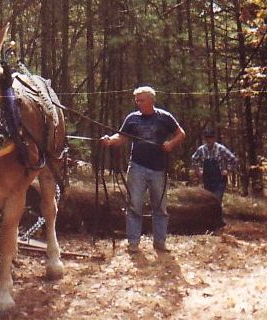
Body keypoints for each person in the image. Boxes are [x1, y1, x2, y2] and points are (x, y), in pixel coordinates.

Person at [100, 86, 186, 253]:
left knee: (160, 207)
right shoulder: (132, 118)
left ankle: (160, 243)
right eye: (136, 100)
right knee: (134, 205)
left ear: (151, 101)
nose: (138, 103)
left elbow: (181, 133)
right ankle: (133, 243)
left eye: (141, 100)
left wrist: (170, 144)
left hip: (158, 169)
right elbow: (121, 137)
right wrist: (109, 140)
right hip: (137, 167)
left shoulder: (164, 117)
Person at [191, 129, 237, 228]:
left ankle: (219, 221)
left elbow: (233, 159)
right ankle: (209, 222)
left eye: (211, 138)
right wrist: (198, 171)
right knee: (208, 200)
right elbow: (194, 159)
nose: (209, 140)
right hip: (207, 179)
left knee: (217, 199)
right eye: (207, 138)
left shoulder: (221, 149)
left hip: (219, 179)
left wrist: (227, 170)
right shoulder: (202, 149)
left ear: (214, 138)